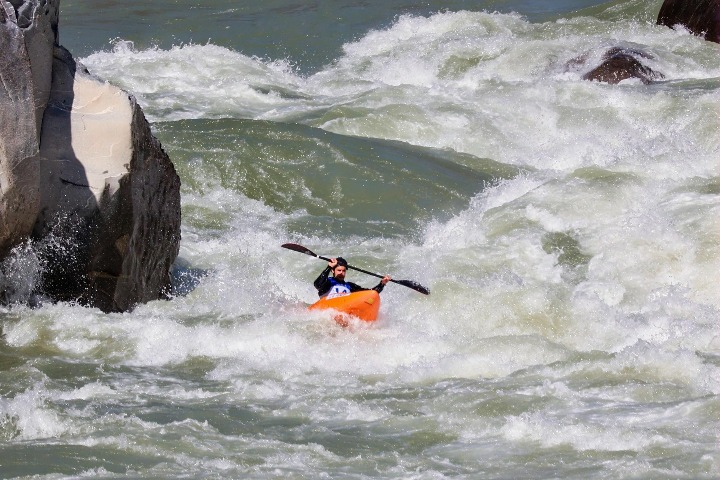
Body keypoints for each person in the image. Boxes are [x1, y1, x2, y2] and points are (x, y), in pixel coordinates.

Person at [314, 257, 391, 298]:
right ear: (333, 271)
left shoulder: (350, 286)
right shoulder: (328, 282)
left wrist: (382, 283)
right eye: (339, 270)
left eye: (343, 271)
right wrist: (329, 267)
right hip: (328, 309)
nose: (341, 273)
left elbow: (370, 292)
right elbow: (317, 285)